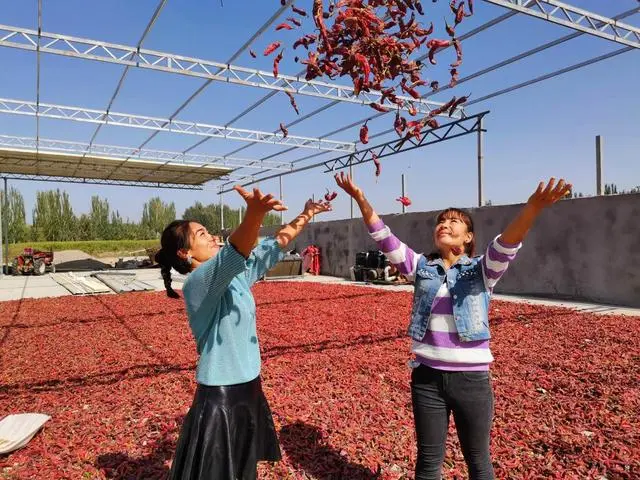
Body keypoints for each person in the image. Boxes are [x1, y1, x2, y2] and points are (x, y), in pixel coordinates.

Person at [334, 172, 571, 480]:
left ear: (468, 237)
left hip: (471, 382)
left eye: (453, 221)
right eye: (440, 221)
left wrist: (533, 207)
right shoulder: (421, 268)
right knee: (428, 463)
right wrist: (360, 199)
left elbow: (508, 242)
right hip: (427, 379)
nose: (443, 224)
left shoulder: (482, 271)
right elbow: (383, 237)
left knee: (478, 462)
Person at [154, 186, 331, 480]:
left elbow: (272, 246)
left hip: (249, 387)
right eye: (201, 235)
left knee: (244, 470)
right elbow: (235, 251)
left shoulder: (235, 277)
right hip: (219, 398)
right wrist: (255, 214)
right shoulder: (197, 284)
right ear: (185, 253)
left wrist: (307, 213)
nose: (211, 236)